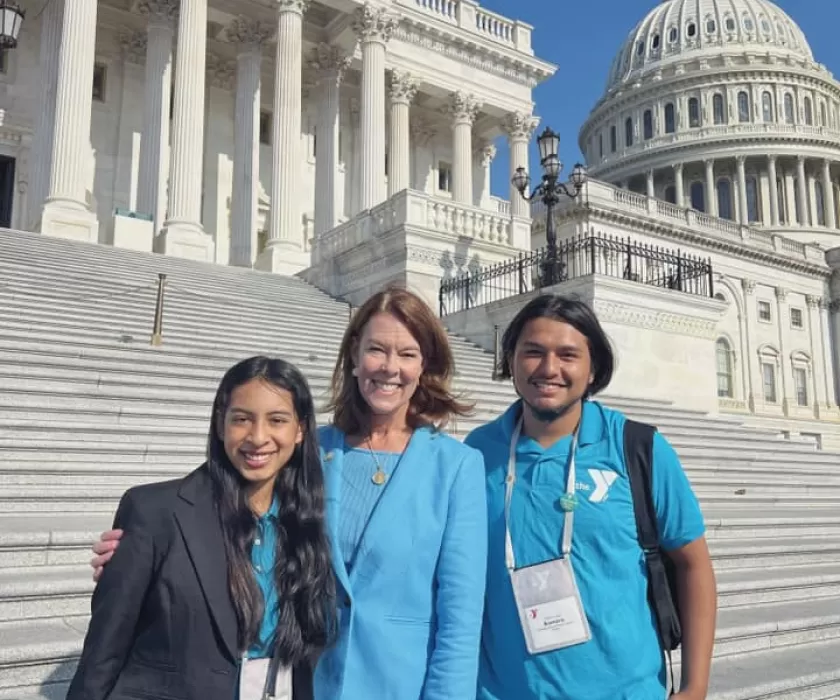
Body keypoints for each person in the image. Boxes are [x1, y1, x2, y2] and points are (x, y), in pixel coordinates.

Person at [88, 285, 489, 700]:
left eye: (407, 354)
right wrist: (145, 555)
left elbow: (460, 617)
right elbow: (225, 508)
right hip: (304, 681)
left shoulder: (456, 466)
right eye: (377, 350)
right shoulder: (313, 448)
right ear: (354, 354)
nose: (390, 367)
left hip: (399, 684)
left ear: (425, 364)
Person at [464, 294, 717, 700]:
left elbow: (694, 565)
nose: (549, 369)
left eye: (568, 355)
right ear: (509, 358)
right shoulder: (477, 453)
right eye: (532, 352)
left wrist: (695, 686)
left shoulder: (638, 448)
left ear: (593, 366)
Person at [68, 356, 336, 700]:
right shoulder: (156, 512)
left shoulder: (309, 522)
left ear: (300, 430)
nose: (258, 437)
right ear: (221, 424)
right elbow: (104, 648)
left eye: (277, 420)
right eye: (242, 419)